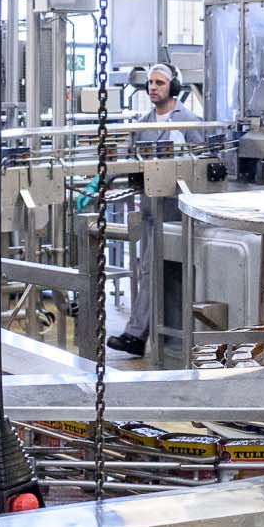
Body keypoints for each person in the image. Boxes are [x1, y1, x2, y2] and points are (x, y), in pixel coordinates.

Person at [107, 61, 199, 357]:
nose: (153, 88)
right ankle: (146, 334)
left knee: (154, 271)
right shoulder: (143, 124)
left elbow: (204, 163)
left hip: (175, 210)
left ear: (173, 86)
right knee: (148, 269)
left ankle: (137, 334)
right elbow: (129, 160)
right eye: (150, 83)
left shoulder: (189, 122)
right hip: (150, 208)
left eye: (159, 83)